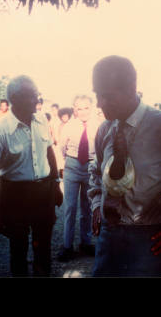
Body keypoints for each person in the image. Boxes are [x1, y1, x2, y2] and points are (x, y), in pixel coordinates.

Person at [88, 55, 161, 277]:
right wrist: (96, 203)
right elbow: (96, 170)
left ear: (131, 88)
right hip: (108, 240)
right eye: (97, 95)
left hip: (151, 243)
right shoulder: (105, 129)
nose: (99, 103)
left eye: (107, 96)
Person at [0, 75, 63, 277]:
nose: (37, 100)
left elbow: (49, 153)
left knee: (43, 246)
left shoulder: (42, 120)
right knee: (18, 248)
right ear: (15, 99)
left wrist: (56, 184)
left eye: (37, 95)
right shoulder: (0, 131)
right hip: (14, 195)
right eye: (33, 96)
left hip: (44, 193)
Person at [57, 95, 99, 261]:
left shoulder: (98, 125)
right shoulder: (69, 126)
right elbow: (61, 147)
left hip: (91, 167)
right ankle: (67, 246)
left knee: (87, 207)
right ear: (74, 109)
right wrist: (65, 166)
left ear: (92, 107)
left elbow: (101, 148)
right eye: (79, 108)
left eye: (86, 108)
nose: (83, 112)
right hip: (73, 166)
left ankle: (86, 242)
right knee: (70, 208)